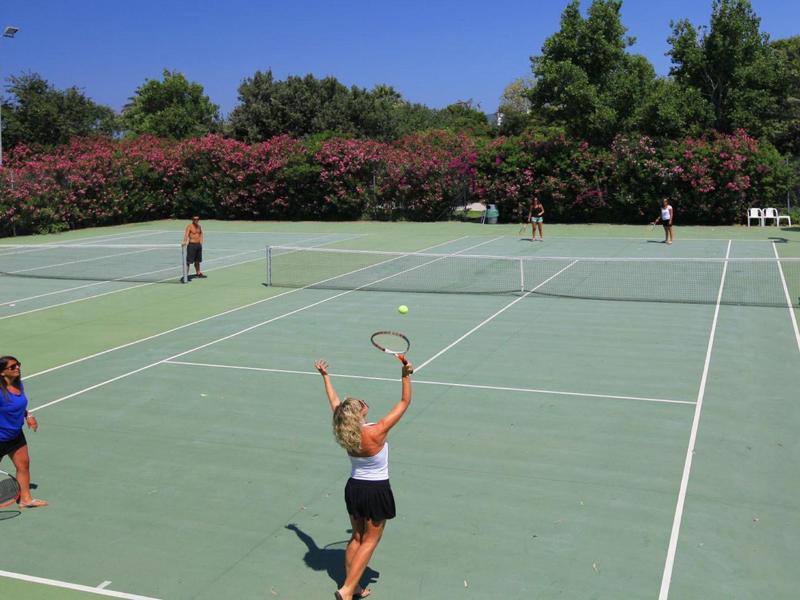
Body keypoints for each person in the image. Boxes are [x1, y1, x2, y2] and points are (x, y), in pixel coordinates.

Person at [314, 357, 413, 600]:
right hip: (376, 491)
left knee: (356, 537)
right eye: (358, 405)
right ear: (358, 415)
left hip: (354, 489)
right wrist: (405, 374)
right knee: (370, 540)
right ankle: (347, 590)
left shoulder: (344, 431)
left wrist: (325, 377)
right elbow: (404, 401)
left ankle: (353, 586)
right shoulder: (376, 430)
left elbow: (335, 403)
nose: (360, 403)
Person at [0, 356, 47, 508]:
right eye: (12, 367)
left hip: (15, 436)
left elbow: (18, 406)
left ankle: (26, 499)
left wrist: (29, 416)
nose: (17, 368)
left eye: (18, 365)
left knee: (24, 465)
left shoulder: (18, 385)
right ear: (2, 372)